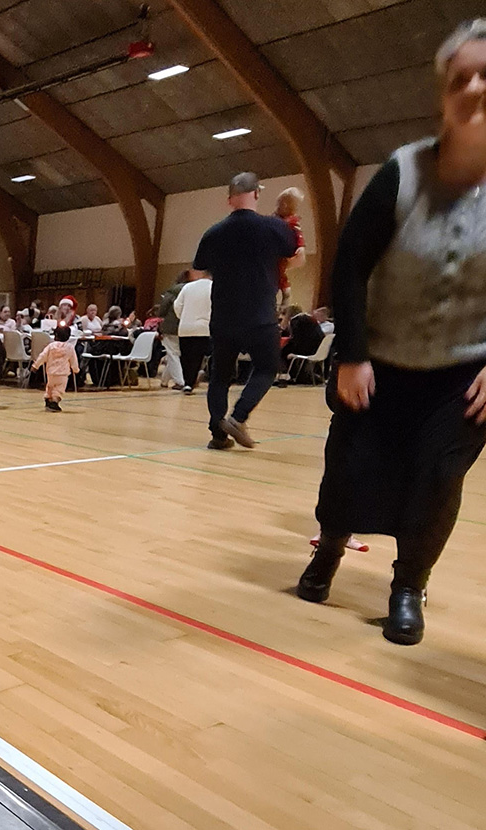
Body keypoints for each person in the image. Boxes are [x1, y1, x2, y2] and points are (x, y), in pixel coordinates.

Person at [296, 19, 486, 646]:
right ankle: (329, 548)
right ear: (443, 94)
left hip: (462, 374)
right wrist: (352, 355)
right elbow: (349, 265)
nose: (475, 88)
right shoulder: (403, 171)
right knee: (347, 470)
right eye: (461, 78)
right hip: (377, 361)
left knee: (438, 479)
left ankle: (408, 586)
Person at [191, 172, 300, 449]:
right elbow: (294, 253)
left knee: (220, 376)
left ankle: (218, 434)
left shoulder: (213, 232)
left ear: (229, 200)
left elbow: (200, 265)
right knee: (267, 367)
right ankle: (238, 417)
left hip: (224, 315)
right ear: (257, 194)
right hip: (259, 314)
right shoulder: (273, 228)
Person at [174, 270, 212, 396]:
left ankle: (187, 382)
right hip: (203, 328)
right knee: (197, 357)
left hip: (185, 327)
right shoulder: (214, 288)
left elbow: (177, 305)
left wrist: (183, 317)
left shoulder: (188, 287)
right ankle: (192, 382)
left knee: (185, 356)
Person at [31, 325, 79, 412]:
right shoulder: (70, 347)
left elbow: (42, 356)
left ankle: (48, 398)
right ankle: (54, 402)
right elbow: (73, 359)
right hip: (63, 374)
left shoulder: (51, 346)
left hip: (51, 372)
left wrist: (35, 365)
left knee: (50, 386)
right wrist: (75, 369)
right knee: (59, 389)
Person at [274, 187, 307, 305]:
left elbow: (298, 235)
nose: (280, 206)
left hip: (284, 254)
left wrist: (301, 246)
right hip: (275, 253)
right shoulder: (273, 220)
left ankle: (285, 296)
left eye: (284, 204)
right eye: (279, 203)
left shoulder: (292, 222)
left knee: (279, 273)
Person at [158, 273, 189, 389]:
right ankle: (164, 381)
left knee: (172, 354)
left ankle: (180, 381)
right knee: (174, 353)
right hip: (186, 326)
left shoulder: (173, 291)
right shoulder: (192, 290)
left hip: (171, 326)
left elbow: (163, 308)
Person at [280, 304, 324, 382]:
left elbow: (297, 339)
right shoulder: (310, 319)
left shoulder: (296, 321)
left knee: (282, 351)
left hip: (306, 349)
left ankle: (287, 373)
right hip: (318, 348)